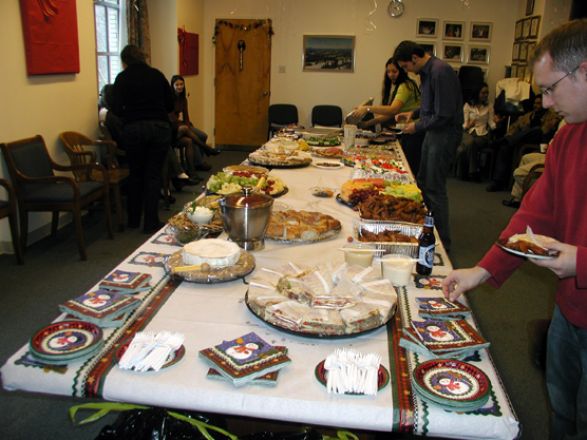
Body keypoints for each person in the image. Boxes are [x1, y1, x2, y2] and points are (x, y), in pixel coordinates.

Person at [442, 19, 587, 440]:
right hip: (569, 312)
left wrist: (581, 260)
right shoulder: (567, 137)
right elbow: (535, 215)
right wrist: (483, 270)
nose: (543, 102)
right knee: (562, 413)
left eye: (549, 89)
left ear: (583, 70)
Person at [392, 40, 464, 251]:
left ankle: (442, 243)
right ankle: (427, 232)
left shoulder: (440, 72)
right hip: (433, 132)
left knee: (434, 188)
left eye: (406, 67)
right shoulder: (427, 72)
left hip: (444, 134)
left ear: (414, 58)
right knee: (424, 182)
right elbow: (430, 106)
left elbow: (444, 114)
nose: (408, 72)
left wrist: (416, 126)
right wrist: (413, 114)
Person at [111, 45, 174, 233]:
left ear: (125, 61)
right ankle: (150, 222)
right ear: (142, 57)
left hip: (134, 129)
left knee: (135, 174)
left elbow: (115, 108)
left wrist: (129, 114)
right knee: (153, 175)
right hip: (158, 128)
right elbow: (170, 104)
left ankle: (133, 219)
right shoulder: (156, 75)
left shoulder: (122, 78)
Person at [350, 57, 424, 172]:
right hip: (408, 131)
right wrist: (367, 123)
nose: (391, 75)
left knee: (410, 169)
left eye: (394, 71)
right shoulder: (402, 85)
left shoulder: (405, 86)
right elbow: (391, 113)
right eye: (388, 71)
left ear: (402, 70)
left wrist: (368, 108)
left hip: (413, 132)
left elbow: (393, 110)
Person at [486, 94, 561, 192]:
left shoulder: (552, 117)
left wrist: (525, 132)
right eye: (535, 103)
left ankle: (505, 140)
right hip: (520, 141)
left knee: (537, 130)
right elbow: (514, 127)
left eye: (538, 103)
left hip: (537, 141)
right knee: (505, 147)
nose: (536, 105)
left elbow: (545, 130)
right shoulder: (527, 116)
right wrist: (510, 134)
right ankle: (497, 182)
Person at [169, 74, 219, 173]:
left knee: (203, 135)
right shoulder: (169, 99)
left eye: (181, 84)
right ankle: (203, 155)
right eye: (177, 85)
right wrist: (184, 126)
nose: (179, 87)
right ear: (172, 86)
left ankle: (198, 161)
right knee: (190, 134)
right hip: (173, 127)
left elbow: (186, 116)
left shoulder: (183, 99)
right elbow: (172, 119)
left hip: (181, 125)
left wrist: (187, 125)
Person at [455, 82, 498, 181]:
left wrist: (496, 124)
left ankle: (464, 173)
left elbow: (491, 123)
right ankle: (473, 172)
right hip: (468, 132)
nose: (485, 95)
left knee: (464, 148)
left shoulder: (489, 106)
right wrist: (469, 125)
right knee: (470, 142)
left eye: (487, 93)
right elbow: (464, 125)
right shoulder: (467, 106)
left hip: (482, 135)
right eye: (483, 93)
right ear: (477, 93)